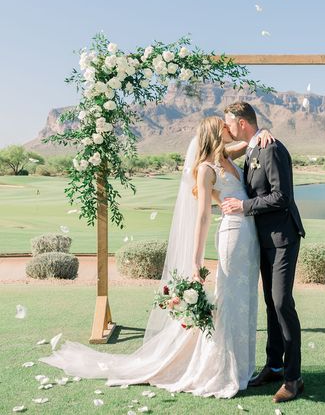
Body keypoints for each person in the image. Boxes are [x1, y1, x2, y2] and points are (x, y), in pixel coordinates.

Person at [39, 116, 273, 399]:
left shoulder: (226, 157)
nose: (229, 128)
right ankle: (221, 368)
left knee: (245, 300)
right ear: (214, 132)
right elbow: (202, 217)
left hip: (249, 238)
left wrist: (263, 133)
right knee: (229, 300)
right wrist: (196, 260)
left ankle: (242, 365)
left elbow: (249, 141)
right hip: (232, 235)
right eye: (224, 126)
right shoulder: (206, 169)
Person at [222, 101, 305, 404]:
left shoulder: (270, 149)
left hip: (283, 237)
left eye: (229, 123)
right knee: (271, 304)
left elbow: (282, 196)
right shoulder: (253, 147)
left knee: (282, 303)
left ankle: (294, 379)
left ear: (242, 122)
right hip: (263, 240)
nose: (227, 128)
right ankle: (274, 365)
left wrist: (243, 207)